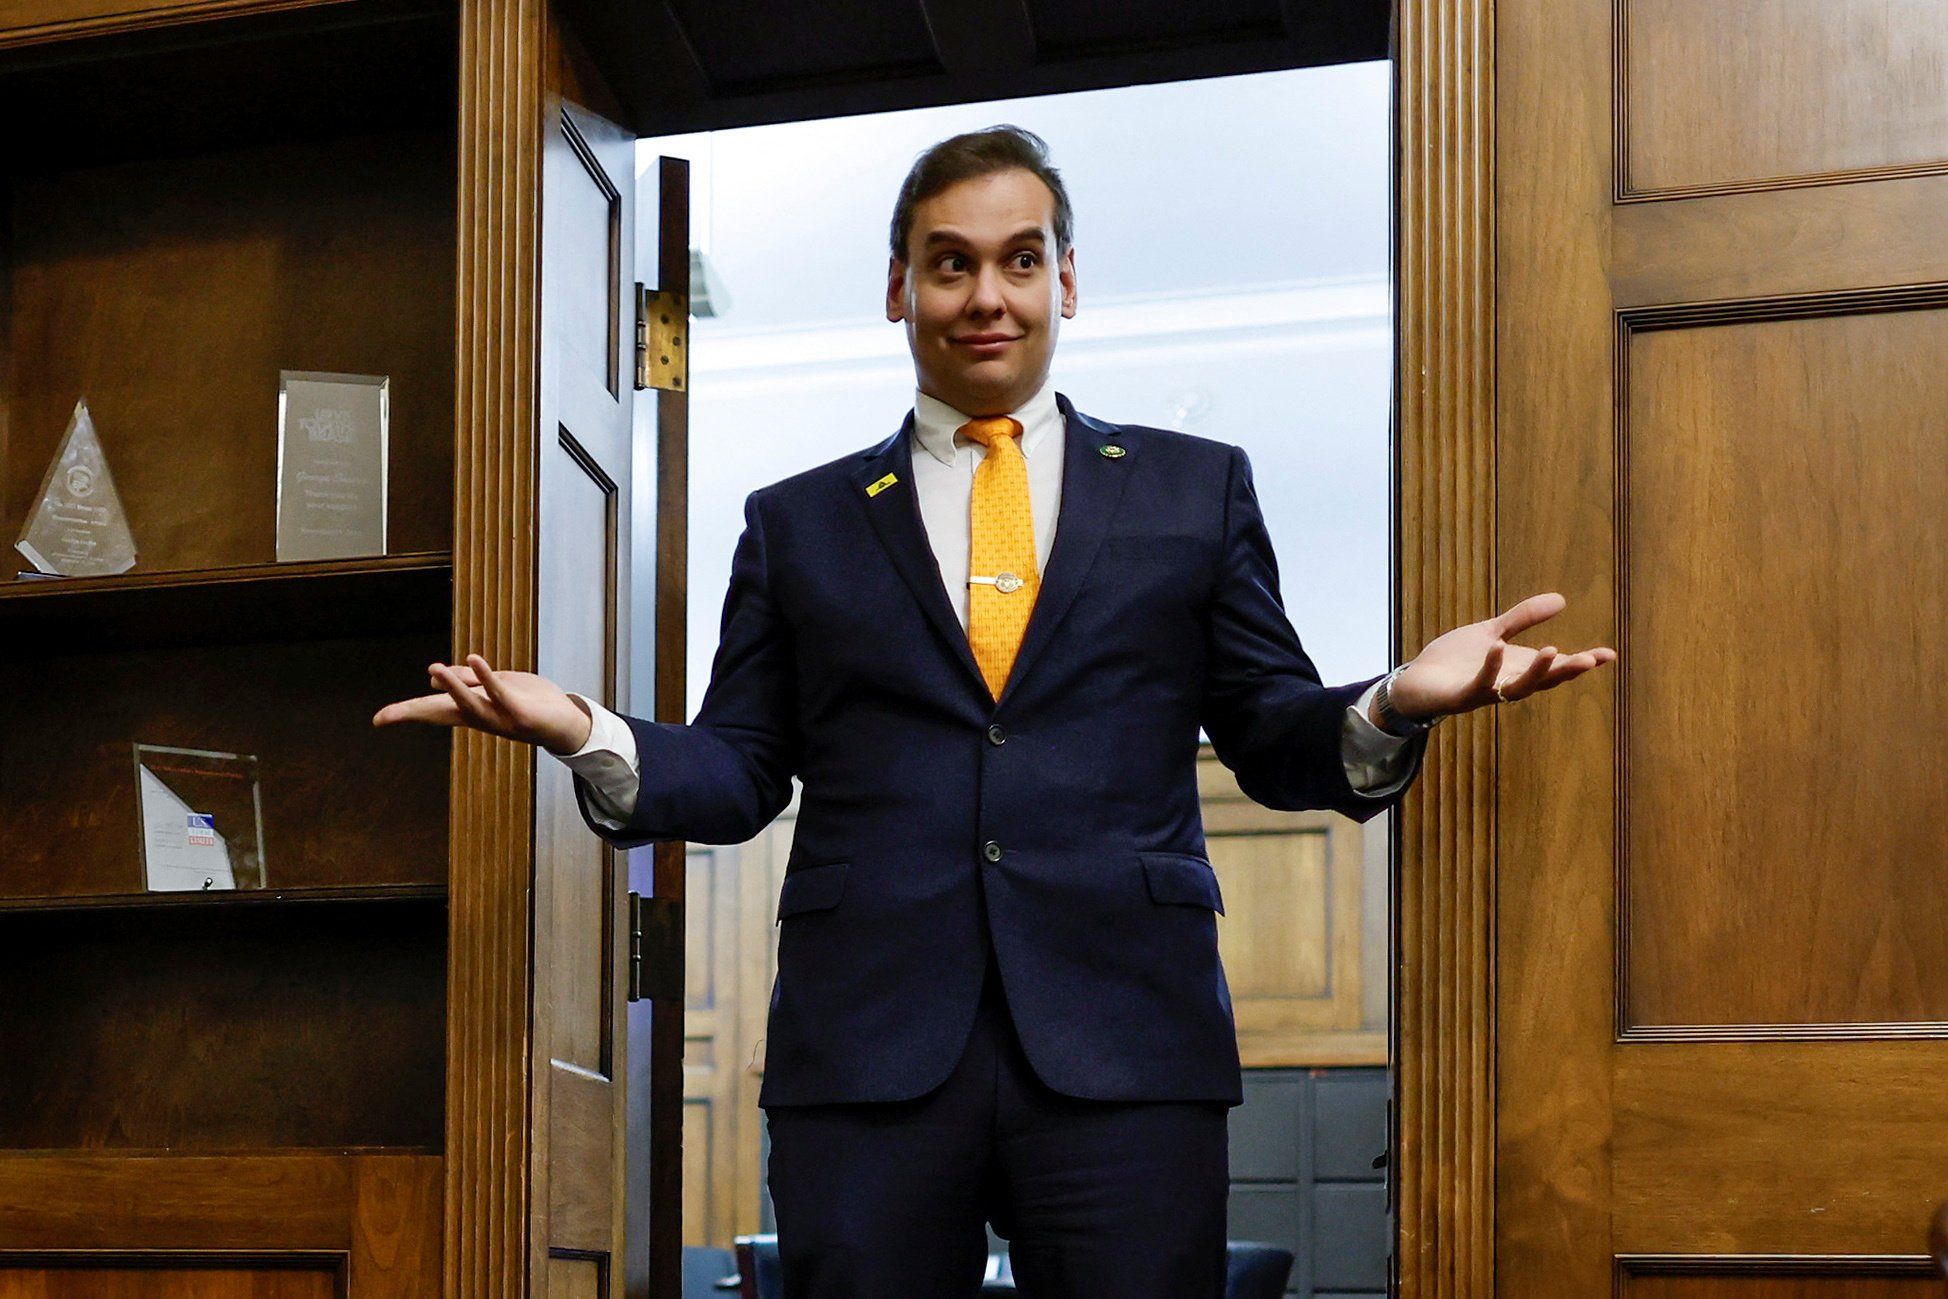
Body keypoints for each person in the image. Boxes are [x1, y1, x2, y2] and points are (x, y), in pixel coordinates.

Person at [374, 126, 1615, 1298]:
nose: (987, 296)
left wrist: (1394, 700)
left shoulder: (1196, 492)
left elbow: (1272, 736)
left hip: (1128, 1041)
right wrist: (585, 728)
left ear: (1065, 281)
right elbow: (741, 769)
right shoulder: (795, 522)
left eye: (1020, 261)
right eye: (950, 264)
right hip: (866, 1054)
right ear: (898, 288)